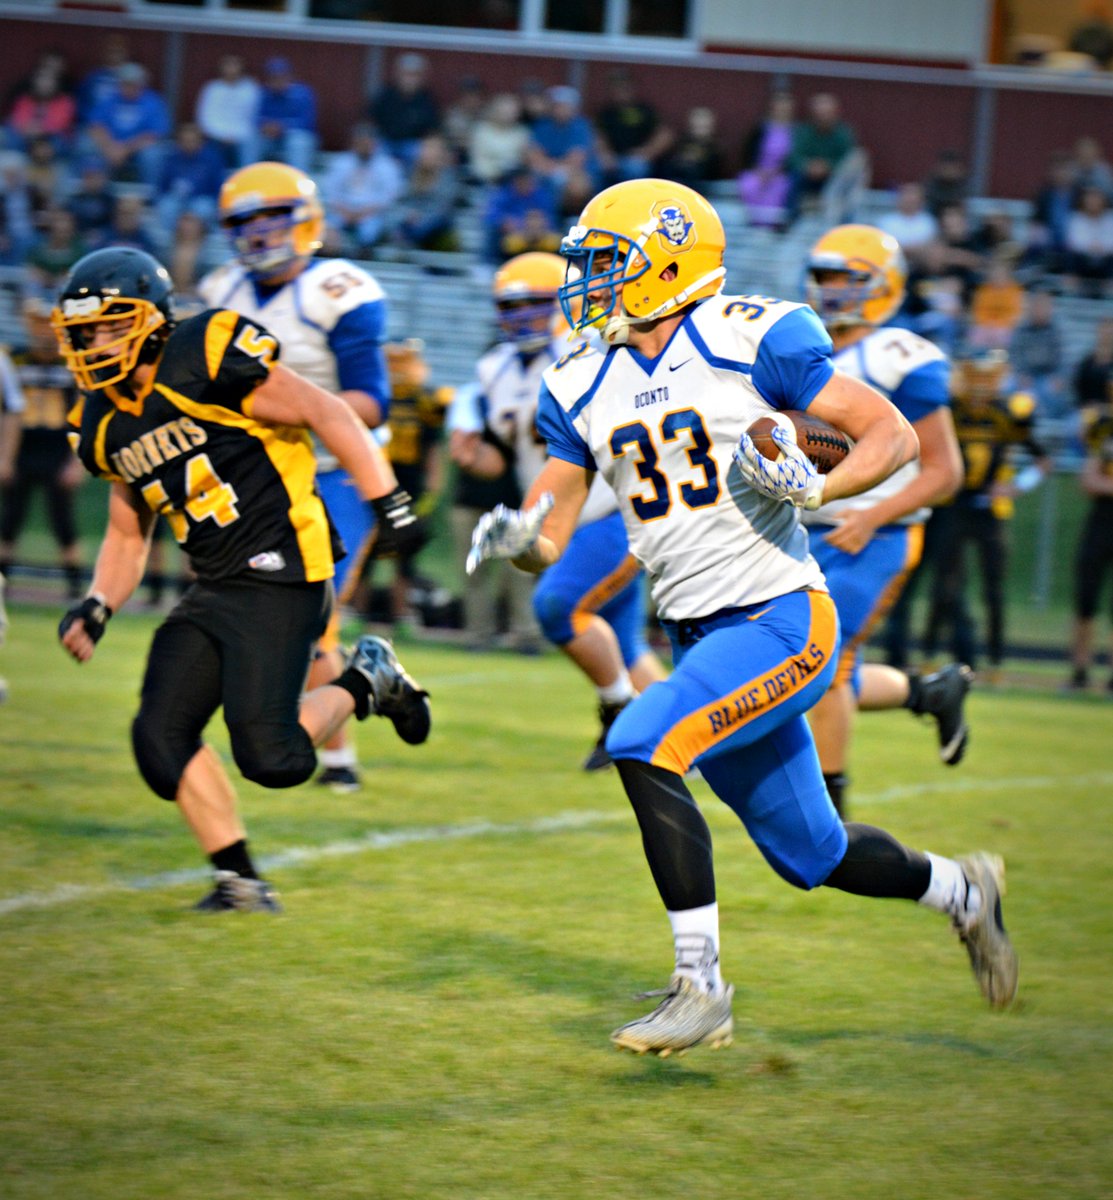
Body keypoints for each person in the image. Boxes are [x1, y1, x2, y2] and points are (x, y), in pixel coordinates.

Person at [467, 178, 1018, 1054]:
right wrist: (519, 540)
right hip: (696, 630)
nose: (589, 283)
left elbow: (895, 439)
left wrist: (819, 486)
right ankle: (962, 890)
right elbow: (552, 528)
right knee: (813, 855)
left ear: (669, 263)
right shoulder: (577, 379)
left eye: (608, 264)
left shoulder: (749, 334)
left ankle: (700, 986)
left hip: (777, 615)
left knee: (642, 739)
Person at [53, 246, 430, 910]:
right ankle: (240, 881)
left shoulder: (204, 350)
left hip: (283, 566)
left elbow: (328, 412)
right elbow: (124, 530)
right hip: (217, 581)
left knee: (275, 759)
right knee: (159, 738)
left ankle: (368, 677)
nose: (95, 342)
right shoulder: (99, 421)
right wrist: (97, 604)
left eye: (111, 324)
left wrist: (389, 503)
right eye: (86, 330)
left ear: (151, 319)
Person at [199, 160, 410, 795]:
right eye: (244, 222)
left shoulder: (338, 289)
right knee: (290, 615)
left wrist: (291, 412)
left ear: (305, 220)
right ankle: (348, 739)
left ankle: (342, 745)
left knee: (313, 614)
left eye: (271, 218)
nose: (259, 234)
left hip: (337, 473)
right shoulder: (219, 293)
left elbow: (368, 401)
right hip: (260, 480)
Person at [454, 252, 665, 769]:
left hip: (615, 511)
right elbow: (508, 457)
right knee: (627, 644)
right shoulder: (494, 368)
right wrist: (468, 449)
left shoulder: (591, 350)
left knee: (557, 606)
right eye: (510, 306)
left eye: (533, 304)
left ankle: (620, 712)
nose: (521, 316)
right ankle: (683, 739)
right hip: (564, 518)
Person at [800, 224, 968, 818]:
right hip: (809, 530)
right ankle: (929, 691)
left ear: (882, 285)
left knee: (827, 660)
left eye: (846, 277)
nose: (830, 289)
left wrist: (874, 515)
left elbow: (945, 471)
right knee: (796, 659)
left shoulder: (900, 355)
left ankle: (831, 805)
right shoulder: (805, 350)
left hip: (878, 536)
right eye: (823, 276)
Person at [922, 349, 1052, 681]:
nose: (980, 386)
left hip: (990, 510)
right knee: (944, 584)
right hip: (954, 505)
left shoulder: (1006, 414)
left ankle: (995, 662)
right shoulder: (951, 411)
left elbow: (1042, 459)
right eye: (975, 376)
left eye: (987, 377)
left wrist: (1015, 486)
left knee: (993, 588)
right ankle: (928, 654)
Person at [0, 300, 84, 599]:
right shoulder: (16, 361)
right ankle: (3, 585)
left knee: (63, 522)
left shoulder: (70, 364)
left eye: (47, 324)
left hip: (57, 451)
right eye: (37, 324)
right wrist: (5, 458)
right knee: (10, 520)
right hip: (22, 450)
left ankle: (75, 587)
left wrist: (76, 462)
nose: (43, 332)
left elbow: (84, 417)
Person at [1066, 401, 1113, 691]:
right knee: (1085, 600)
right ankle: (1080, 671)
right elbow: (1088, 479)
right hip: (1101, 521)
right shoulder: (1102, 428)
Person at [320, 123, 405, 256]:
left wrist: (365, 212)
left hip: (372, 212)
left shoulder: (387, 166)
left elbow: (390, 196)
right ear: (354, 143)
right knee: (328, 227)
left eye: (368, 142)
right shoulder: (341, 163)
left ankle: (364, 255)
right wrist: (344, 211)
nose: (365, 146)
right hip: (342, 210)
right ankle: (332, 256)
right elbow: (330, 192)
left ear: (375, 143)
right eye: (361, 142)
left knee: (369, 230)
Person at [85, 62, 170, 188]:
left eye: (133, 83)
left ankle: (150, 195)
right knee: (84, 146)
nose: (129, 87)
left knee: (152, 155)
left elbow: (153, 134)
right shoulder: (110, 99)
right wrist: (109, 147)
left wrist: (125, 150)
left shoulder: (153, 102)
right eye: (125, 83)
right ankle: (94, 192)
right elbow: (96, 126)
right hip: (111, 146)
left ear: (142, 84)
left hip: (138, 148)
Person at [368, 53, 441, 170]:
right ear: (398, 74)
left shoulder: (426, 100)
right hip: (386, 141)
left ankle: (416, 186)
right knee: (373, 149)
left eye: (415, 74)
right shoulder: (385, 96)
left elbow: (432, 129)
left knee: (427, 152)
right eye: (407, 73)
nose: (410, 78)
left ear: (422, 77)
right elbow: (370, 120)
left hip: (412, 144)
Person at [194, 54, 260, 169]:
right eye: (228, 66)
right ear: (221, 68)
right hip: (215, 136)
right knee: (207, 148)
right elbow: (204, 117)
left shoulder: (251, 88)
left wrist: (236, 136)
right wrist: (221, 135)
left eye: (234, 65)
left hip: (244, 135)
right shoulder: (212, 88)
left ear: (241, 68)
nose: (231, 69)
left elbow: (254, 116)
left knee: (252, 145)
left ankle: (247, 178)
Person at [253, 58, 318, 175]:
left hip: (293, 136)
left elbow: (307, 122)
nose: (278, 81)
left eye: (281, 77)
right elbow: (256, 117)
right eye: (273, 77)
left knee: (299, 142)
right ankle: (248, 179)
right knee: (250, 139)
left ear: (289, 77)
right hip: (269, 138)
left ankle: (298, 183)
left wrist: (283, 126)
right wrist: (265, 126)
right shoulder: (263, 93)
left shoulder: (302, 93)